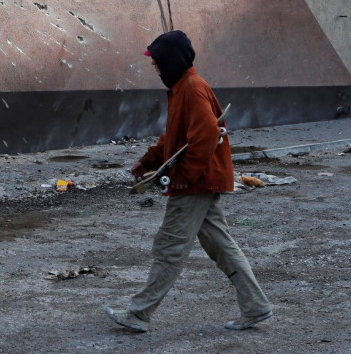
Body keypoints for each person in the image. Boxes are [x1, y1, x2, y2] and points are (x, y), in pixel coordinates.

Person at [103, 30, 272, 332]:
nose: (155, 69)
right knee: (221, 244)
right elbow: (177, 137)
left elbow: (206, 136)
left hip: (196, 183)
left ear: (171, 61)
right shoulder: (184, 87)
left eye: (157, 63)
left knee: (169, 246)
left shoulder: (192, 89)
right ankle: (256, 306)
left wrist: (182, 178)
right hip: (204, 181)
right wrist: (150, 159)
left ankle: (139, 314)